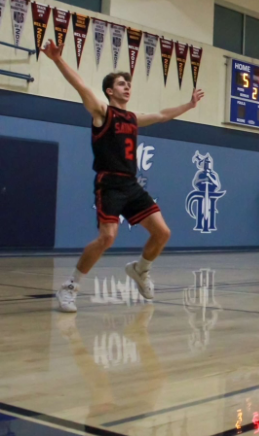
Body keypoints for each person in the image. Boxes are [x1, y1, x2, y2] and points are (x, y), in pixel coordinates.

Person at [42, 39, 204, 313]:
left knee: (162, 233)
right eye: (121, 84)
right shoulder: (102, 112)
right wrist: (58, 60)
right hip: (109, 184)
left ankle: (140, 270)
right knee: (107, 238)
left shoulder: (132, 117)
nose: (127, 87)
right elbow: (81, 85)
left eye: (128, 84)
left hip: (131, 184)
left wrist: (188, 105)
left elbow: (163, 115)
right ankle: (70, 287)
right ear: (109, 90)